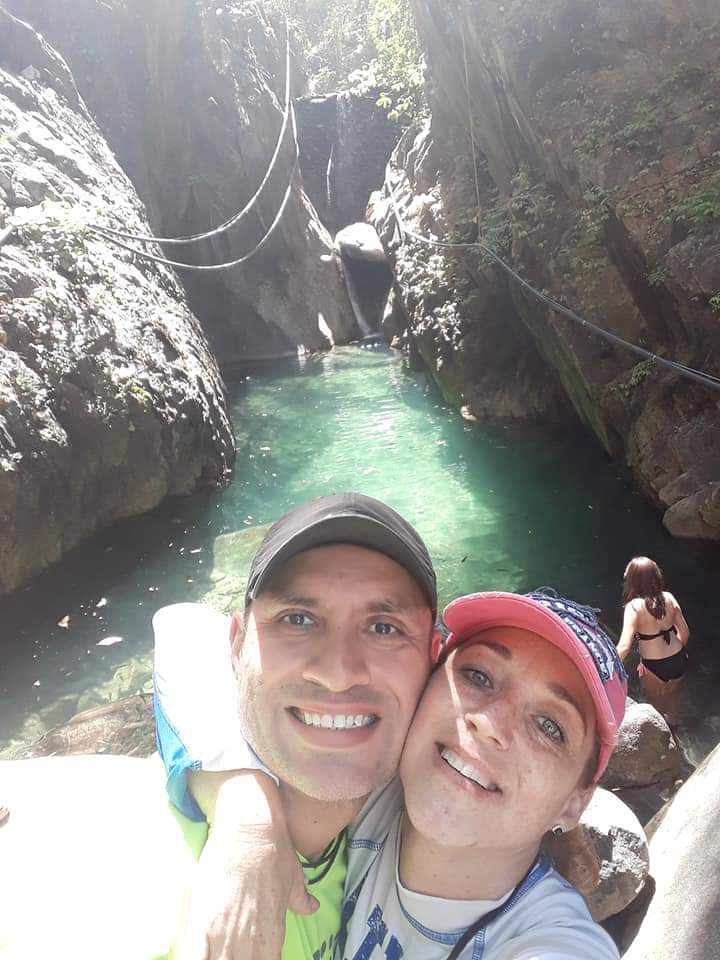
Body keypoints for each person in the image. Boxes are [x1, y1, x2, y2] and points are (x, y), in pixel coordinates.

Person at [154, 493, 626, 959]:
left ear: (575, 802)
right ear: (428, 678)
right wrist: (248, 821)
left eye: (549, 726)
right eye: (478, 676)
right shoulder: (374, 784)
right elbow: (187, 629)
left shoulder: (548, 942)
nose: (489, 724)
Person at [154, 492, 439, 960]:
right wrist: (246, 820)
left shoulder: (395, 824)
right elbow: (182, 623)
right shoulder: (138, 889)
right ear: (236, 644)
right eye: (298, 619)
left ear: (433, 660)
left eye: (384, 627)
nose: (339, 672)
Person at [617, 556, 689, 720]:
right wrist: (673, 655)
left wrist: (606, 669)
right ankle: (674, 724)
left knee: (654, 705)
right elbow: (685, 633)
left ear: (633, 581)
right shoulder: (669, 597)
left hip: (654, 666)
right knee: (671, 696)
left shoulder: (634, 607)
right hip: (679, 659)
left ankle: (664, 737)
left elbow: (624, 646)